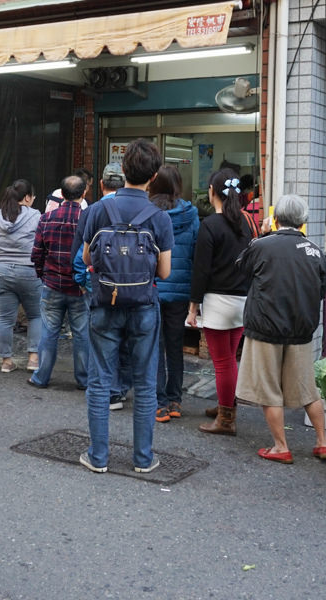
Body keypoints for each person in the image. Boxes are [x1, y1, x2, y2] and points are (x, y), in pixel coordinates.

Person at [79, 139, 173, 474]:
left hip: (104, 302)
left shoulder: (96, 211)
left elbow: (88, 258)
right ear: (154, 176)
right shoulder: (159, 218)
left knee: (100, 379)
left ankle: (98, 457)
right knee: (146, 382)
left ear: (122, 170)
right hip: (144, 306)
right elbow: (164, 272)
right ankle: (143, 459)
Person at [235, 194, 326, 463]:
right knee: (307, 388)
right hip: (301, 329)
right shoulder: (315, 251)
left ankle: (280, 446)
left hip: (265, 326)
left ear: (275, 219)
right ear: (303, 222)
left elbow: (242, 270)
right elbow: (322, 290)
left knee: (268, 389)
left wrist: (262, 234)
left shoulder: (263, 245)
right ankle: (323, 442)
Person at [189, 168, 255, 435]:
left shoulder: (210, 225)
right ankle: (225, 404)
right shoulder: (247, 223)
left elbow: (201, 270)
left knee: (222, 361)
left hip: (217, 301)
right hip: (243, 299)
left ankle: (226, 419)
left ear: (212, 192)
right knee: (230, 359)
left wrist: (193, 307)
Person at [72, 164, 132, 410]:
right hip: (133, 285)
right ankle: (121, 387)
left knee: (103, 338)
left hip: (101, 285)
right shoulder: (138, 208)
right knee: (128, 338)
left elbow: (81, 256)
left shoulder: (93, 211)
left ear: (100, 183)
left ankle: (109, 390)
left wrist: (82, 282)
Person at [28, 175, 89, 389]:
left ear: (61, 194)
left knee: (49, 332)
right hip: (79, 288)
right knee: (82, 334)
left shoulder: (46, 219)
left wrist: (43, 275)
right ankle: (83, 380)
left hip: (52, 283)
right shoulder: (87, 219)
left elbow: (36, 254)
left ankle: (41, 376)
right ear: (84, 194)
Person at [149, 165, 199, 423]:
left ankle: (159, 404)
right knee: (174, 346)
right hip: (180, 291)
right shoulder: (191, 214)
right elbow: (195, 253)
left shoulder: (148, 213)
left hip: (153, 288)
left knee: (155, 346)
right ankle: (175, 400)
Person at [0, 179, 42, 372]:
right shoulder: (36, 215)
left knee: (5, 318)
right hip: (28, 270)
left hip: (1, 271)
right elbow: (41, 244)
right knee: (35, 316)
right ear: (27, 197)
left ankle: (6, 362)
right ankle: (33, 360)